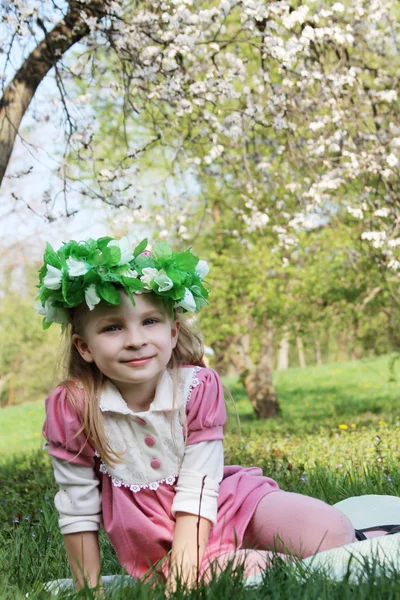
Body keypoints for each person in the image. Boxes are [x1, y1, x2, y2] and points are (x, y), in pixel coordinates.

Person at [39, 236, 355, 592]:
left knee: (334, 531)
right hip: (163, 541)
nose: (135, 340)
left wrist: (185, 570)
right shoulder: (73, 406)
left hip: (229, 502)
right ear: (85, 347)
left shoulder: (196, 386)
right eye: (112, 327)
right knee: (245, 574)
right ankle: (246, 562)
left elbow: (199, 486)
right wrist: (90, 590)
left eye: (150, 321)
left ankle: (273, 547)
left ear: (173, 332)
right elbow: (77, 507)